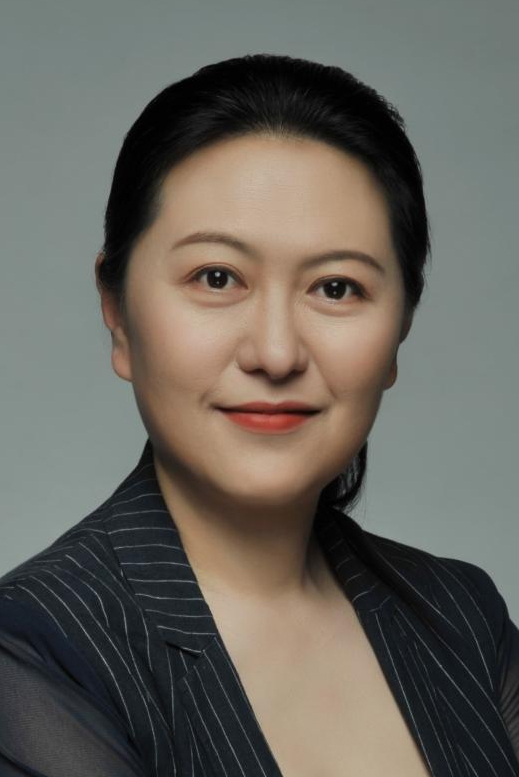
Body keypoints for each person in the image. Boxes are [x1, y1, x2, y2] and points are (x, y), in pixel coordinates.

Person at [0, 53, 518, 777]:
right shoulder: (36, 648)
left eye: (336, 287)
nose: (276, 353)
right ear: (116, 312)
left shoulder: (462, 616)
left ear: (400, 329)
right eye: (216, 277)